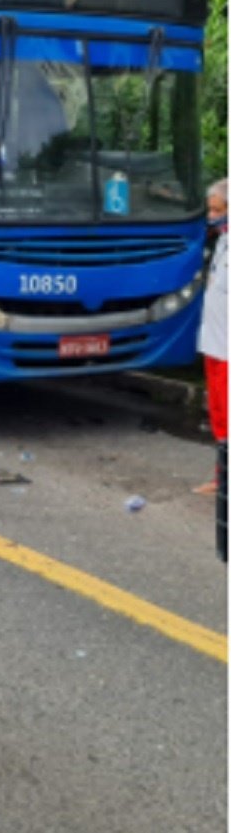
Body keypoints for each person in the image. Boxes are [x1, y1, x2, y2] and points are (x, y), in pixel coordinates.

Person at [198, 180, 227, 561]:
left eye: (218, 209)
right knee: (219, 417)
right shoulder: (221, 243)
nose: (212, 216)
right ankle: (221, 479)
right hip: (215, 345)